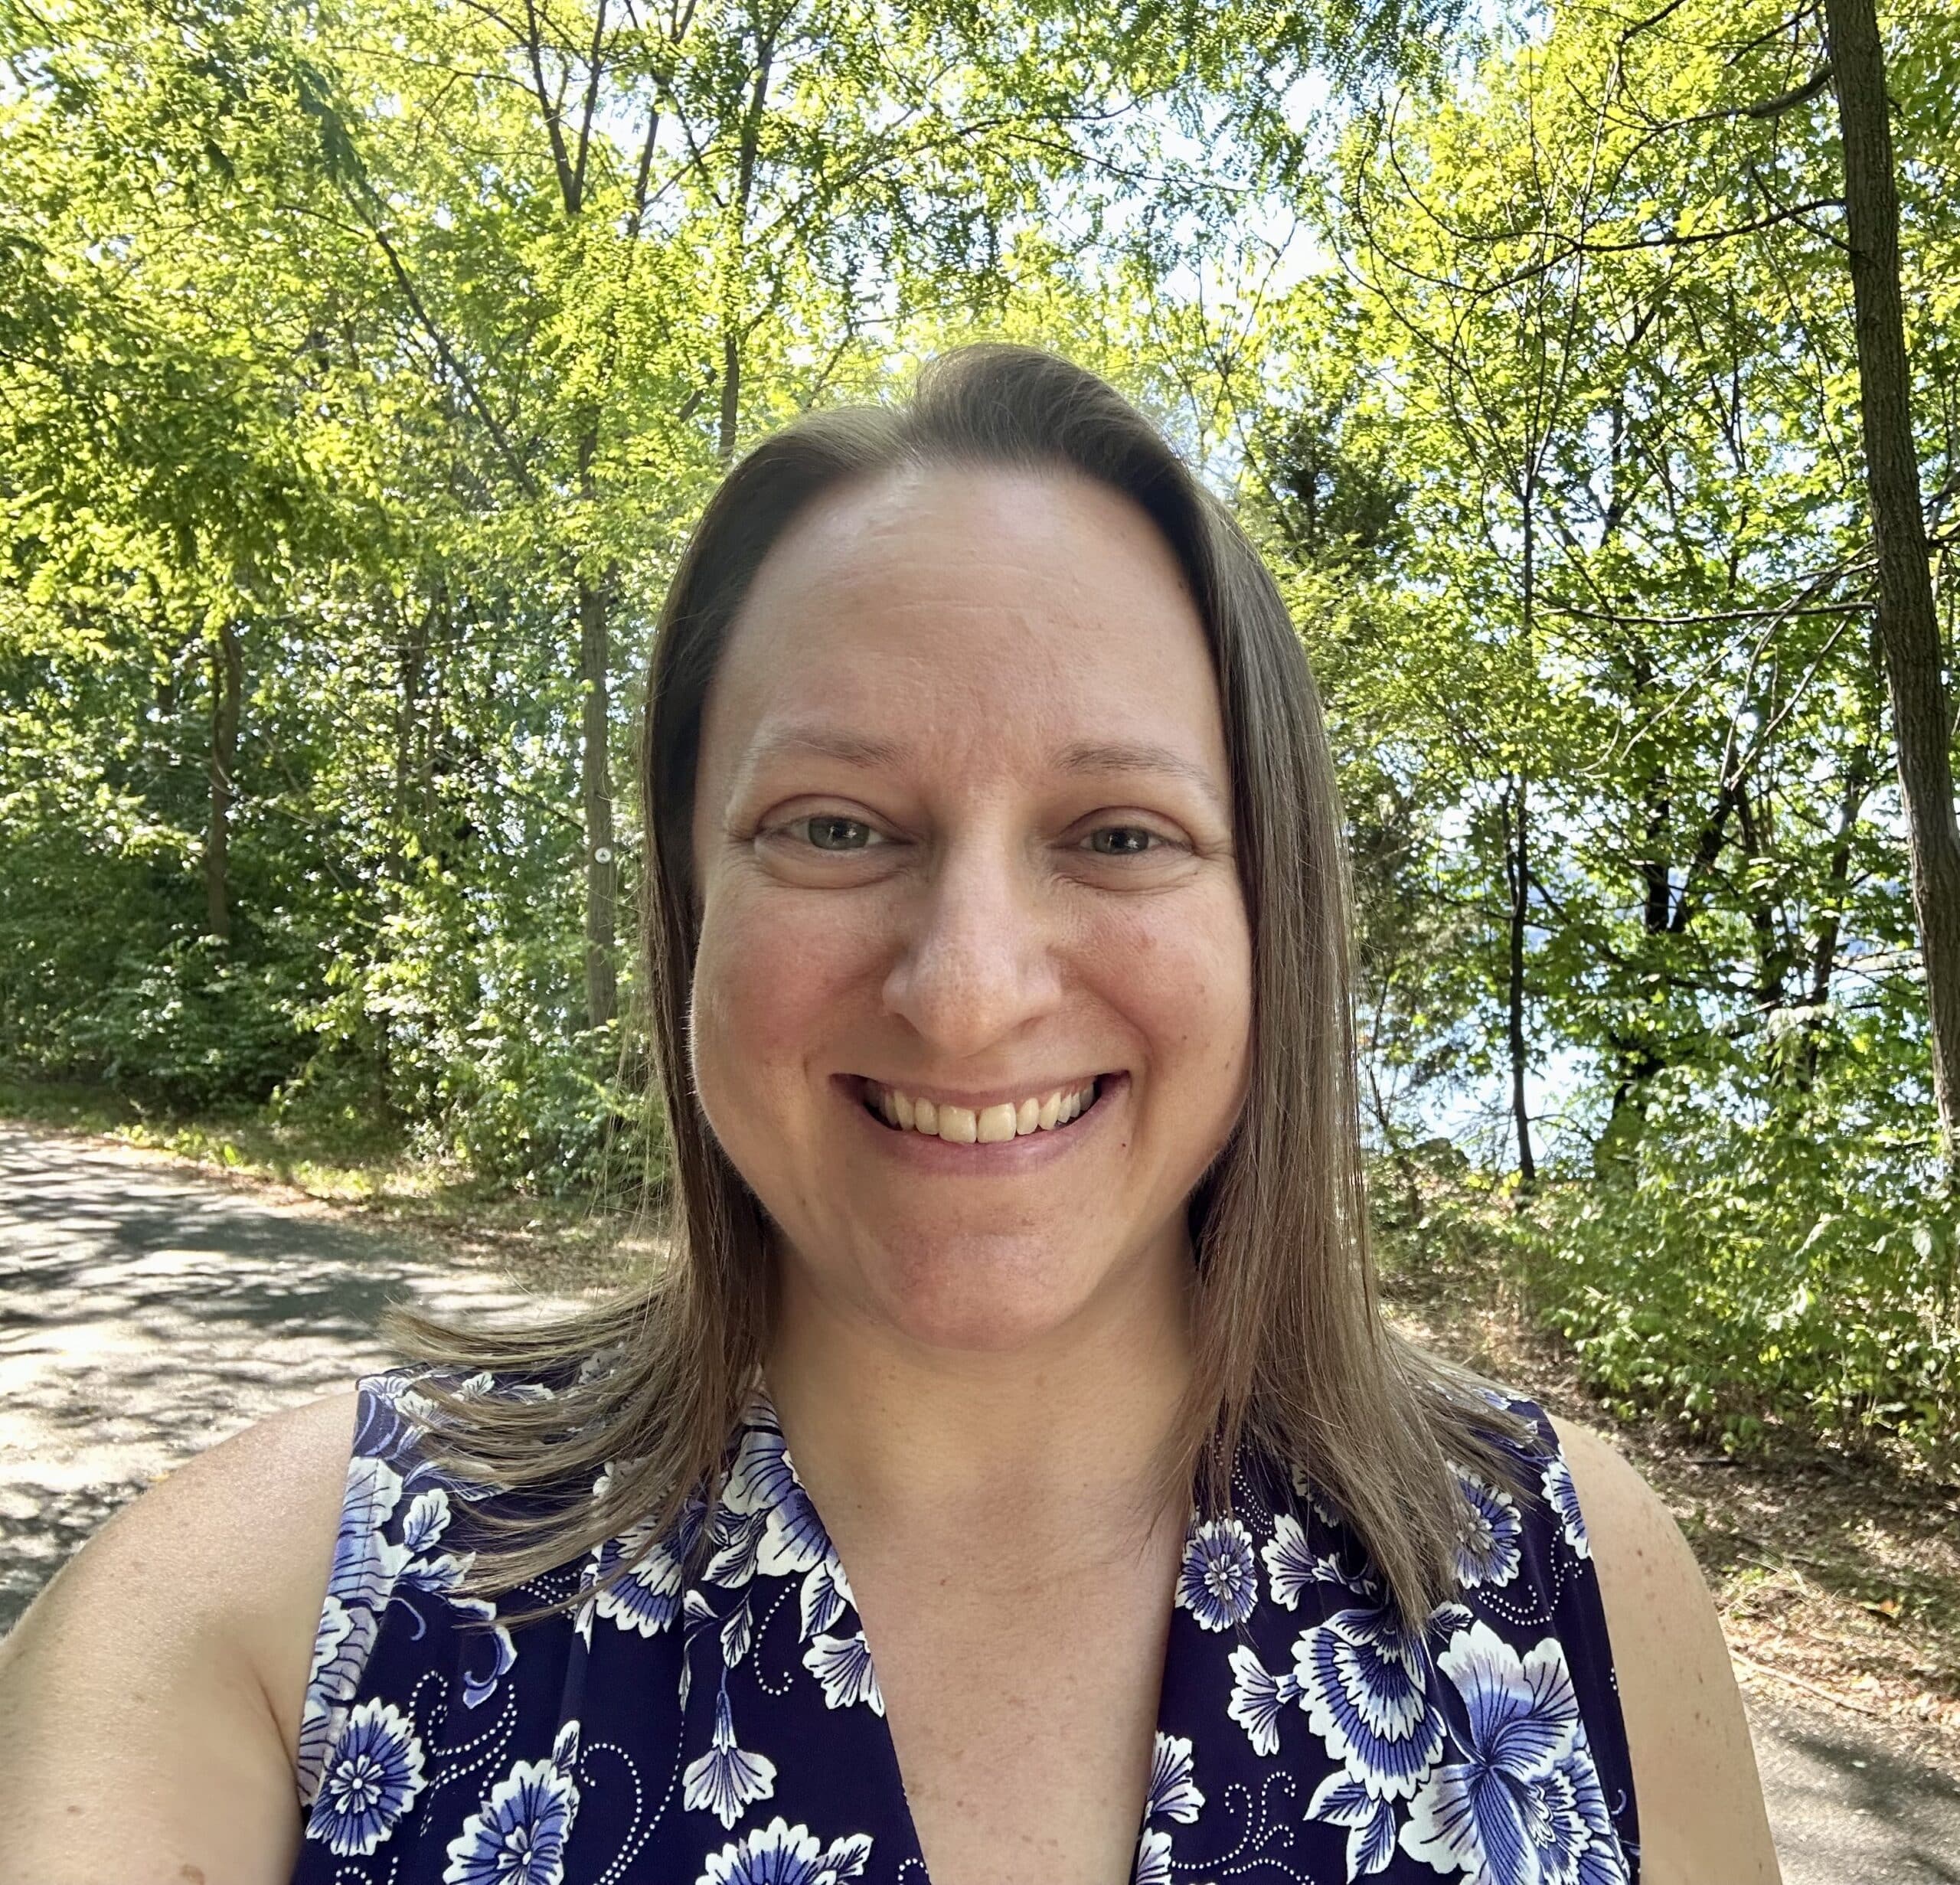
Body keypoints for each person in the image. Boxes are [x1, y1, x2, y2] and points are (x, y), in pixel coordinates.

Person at [0, 345, 1780, 1885]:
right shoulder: (254, 1629)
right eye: (836, 826)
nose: (967, 987)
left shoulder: (1574, 1595)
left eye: (1116, 834)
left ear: (1273, 923)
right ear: (690, 908)